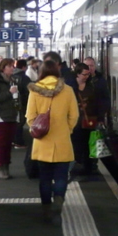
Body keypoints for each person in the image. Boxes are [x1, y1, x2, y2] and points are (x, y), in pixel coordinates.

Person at [26, 58, 79, 223]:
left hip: (43, 142)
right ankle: (58, 202)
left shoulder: (35, 91)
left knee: (45, 178)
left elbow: (30, 116)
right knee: (61, 177)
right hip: (62, 139)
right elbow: (74, 115)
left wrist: (35, 129)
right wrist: (67, 129)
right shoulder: (68, 90)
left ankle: (46, 209)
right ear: (57, 72)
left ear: (41, 72)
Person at [11, 59, 32, 148]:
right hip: (22, 103)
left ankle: (13, 140)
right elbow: (29, 91)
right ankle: (18, 141)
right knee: (20, 121)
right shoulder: (24, 78)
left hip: (12, 102)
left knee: (15, 121)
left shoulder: (11, 76)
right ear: (24, 67)